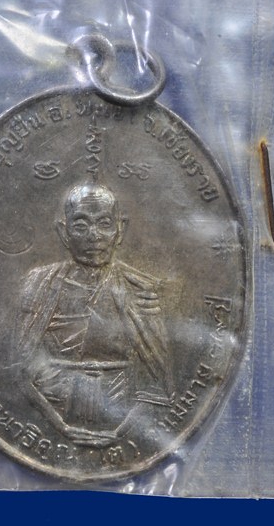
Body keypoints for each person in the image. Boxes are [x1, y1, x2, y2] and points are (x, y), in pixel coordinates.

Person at [18, 183, 173, 447]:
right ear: (64, 232)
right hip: (51, 411)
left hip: (121, 416)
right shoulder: (38, 284)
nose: (94, 236)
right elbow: (18, 373)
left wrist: (119, 434)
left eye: (104, 224)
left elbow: (157, 384)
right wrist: (61, 427)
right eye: (81, 225)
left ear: (119, 230)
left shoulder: (139, 290)